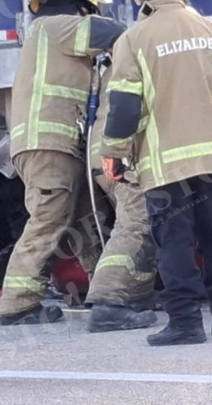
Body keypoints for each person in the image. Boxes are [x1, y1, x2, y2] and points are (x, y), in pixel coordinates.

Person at [100, 0, 212, 346]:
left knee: (175, 244)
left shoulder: (133, 40)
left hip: (165, 166)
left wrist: (114, 153)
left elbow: (123, 106)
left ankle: (186, 323)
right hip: (210, 161)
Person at [0, 0, 127, 326]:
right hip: (49, 145)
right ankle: (18, 303)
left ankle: (108, 291)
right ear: (80, 8)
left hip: (58, 146)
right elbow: (116, 33)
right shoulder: (59, 28)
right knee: (48, 219)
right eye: (89, 12)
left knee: (87, 216)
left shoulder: (48, 35)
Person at [82, 32, 160, 333]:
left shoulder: (123, 53)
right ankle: (107, 304)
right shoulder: (146, 50)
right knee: (135, 223)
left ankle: (135, 298)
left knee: (146, 223)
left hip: (102, 154)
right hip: (120, 156)